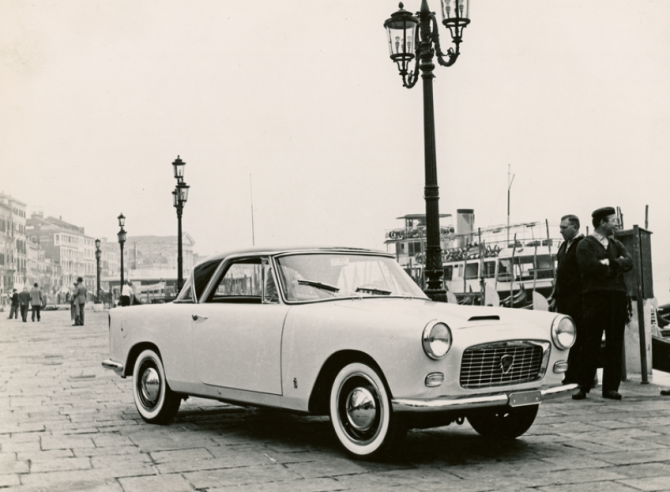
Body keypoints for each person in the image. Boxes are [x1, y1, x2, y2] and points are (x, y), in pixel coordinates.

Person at [573, 207, 633, 401]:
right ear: (602, 222)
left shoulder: (616, 243)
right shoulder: (585, 244)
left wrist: (608, 263)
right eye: (613, 220)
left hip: (616, 298)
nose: (617, 224)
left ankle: (611, 388)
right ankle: (583, 385)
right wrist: (615, 265)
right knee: (591, 341)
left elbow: (629, 262)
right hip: (594, 298)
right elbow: (590, 267)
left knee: (615, 343)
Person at [548, 214, 584, 384]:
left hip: (578, 300)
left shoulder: (582, 245)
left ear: (575, 227)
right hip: (564, 300)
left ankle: (578, 376)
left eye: (564, 227)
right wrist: (555, 296)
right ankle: (569, 375)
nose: (560, 230)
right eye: (561, 227)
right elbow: (559, 273)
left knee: (578, 337)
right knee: (564, 337)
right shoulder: (564, 246)